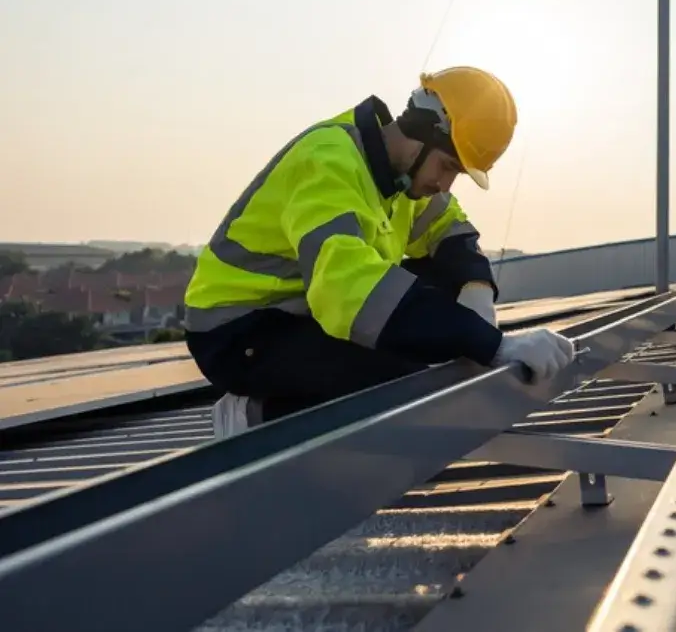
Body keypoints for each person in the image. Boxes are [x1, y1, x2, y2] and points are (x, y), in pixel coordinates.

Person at [183, 66, 576, 438]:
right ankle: (254, 417)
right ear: (422, 133)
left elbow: (451, 231)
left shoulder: (402, 178)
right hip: (240, 331)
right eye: (447, 166)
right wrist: (493, 345)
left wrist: (477, 296)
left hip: (302, 309)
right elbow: (349, 292)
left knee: (434, 335)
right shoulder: (329, 161)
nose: (445, 185)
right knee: (402, 381)